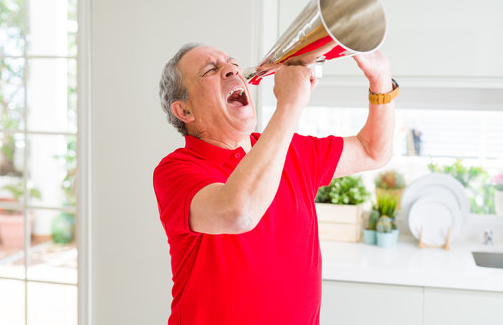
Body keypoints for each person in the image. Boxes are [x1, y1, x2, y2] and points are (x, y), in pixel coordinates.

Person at [153, 43, 396, 325]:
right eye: (211, 70)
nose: (232, 69)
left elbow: (373, 151)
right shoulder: (177, 170)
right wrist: (290, 105)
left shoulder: (289, 150)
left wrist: (381, 79)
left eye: (232, 63)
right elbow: (238, 212)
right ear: (184, 110)